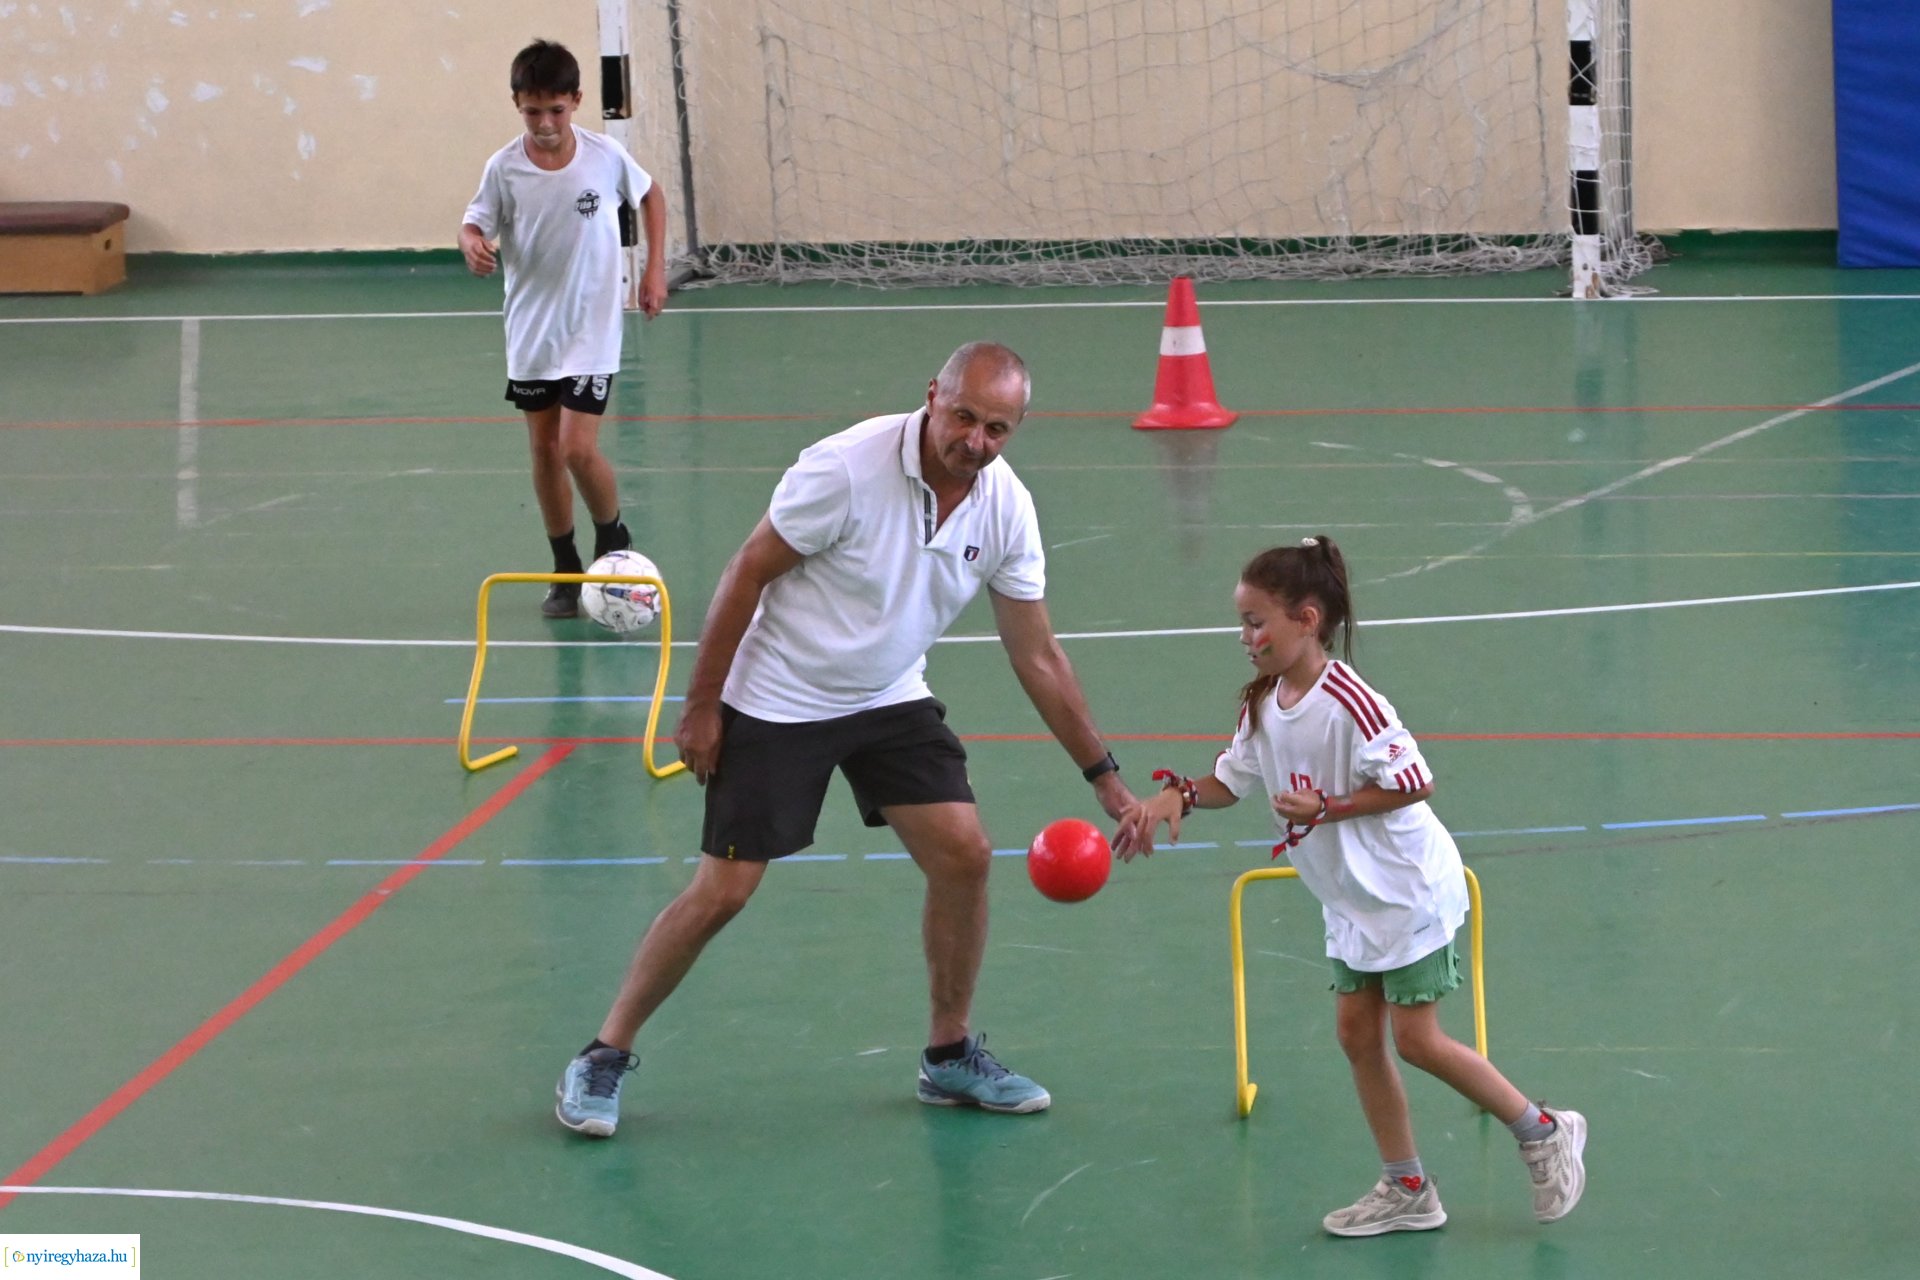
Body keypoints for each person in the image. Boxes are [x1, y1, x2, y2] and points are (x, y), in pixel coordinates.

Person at [553, 341, 1140, 1138]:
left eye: (998, 428)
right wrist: (704, 706)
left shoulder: (1005, 507)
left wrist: (1103, 777)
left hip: (889, 695)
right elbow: (745, 573)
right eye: (964, 416)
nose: (976, 440)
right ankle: (602, 1054)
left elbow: (1037, 654)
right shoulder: (845, 469)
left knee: (964, 855)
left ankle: (950, 1053)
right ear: (932, 394)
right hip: (780, 695)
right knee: (724, 890)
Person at [1116, 536, 1587, 1236]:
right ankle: (1408, 1188)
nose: (1246, 638)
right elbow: (1232, 780)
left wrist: (1329, 808)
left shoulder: (1351, 701)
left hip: (1405, 891)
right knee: (1356, 1037)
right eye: (1241, 624)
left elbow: (1415, 781)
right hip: (1349, 899)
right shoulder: (1262, 703)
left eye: (1256, 623)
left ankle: (1543, 1129)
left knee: (1418, 1041)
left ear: (1307, 619)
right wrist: (1178, 798)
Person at [459, 39, 668, 618]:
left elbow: (651, 195)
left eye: (556, 110)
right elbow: (473, 222)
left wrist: (653, 270)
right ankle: (565, 567)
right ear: (517, 106)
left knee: (578, 448)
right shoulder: (504, 168)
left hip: (592, 329)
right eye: (533, 112)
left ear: (576, 101)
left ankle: (613, 539)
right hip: (532, 331)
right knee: (544, 450)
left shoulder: (603, 156)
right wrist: (473, 244)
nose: (546, 124)